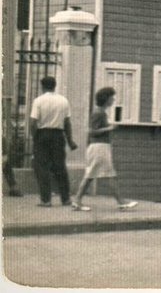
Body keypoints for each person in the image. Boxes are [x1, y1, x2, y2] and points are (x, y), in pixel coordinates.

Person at [70, 87, 136, 212]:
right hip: (99, 147)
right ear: (106, 99)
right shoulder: (99, 113)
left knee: (91, 175)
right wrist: (109, 128)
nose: (113, 100)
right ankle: (121, 202)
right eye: (112, 97)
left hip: (99, 147)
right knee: (108, 174)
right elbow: (92, 131)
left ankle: (77, 200)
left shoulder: (100, 112)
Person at [29, 76, 76, 207]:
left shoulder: (38, 101)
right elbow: (67, 123)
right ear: (55, 86)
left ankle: (46, 199)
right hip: (58, 135)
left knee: (42, 167)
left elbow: (33, 122)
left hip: (42, 134)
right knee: (60, 166)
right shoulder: (63, 101)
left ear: (42, 86)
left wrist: (35, 136)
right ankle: (66, 199)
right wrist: (70, 140)